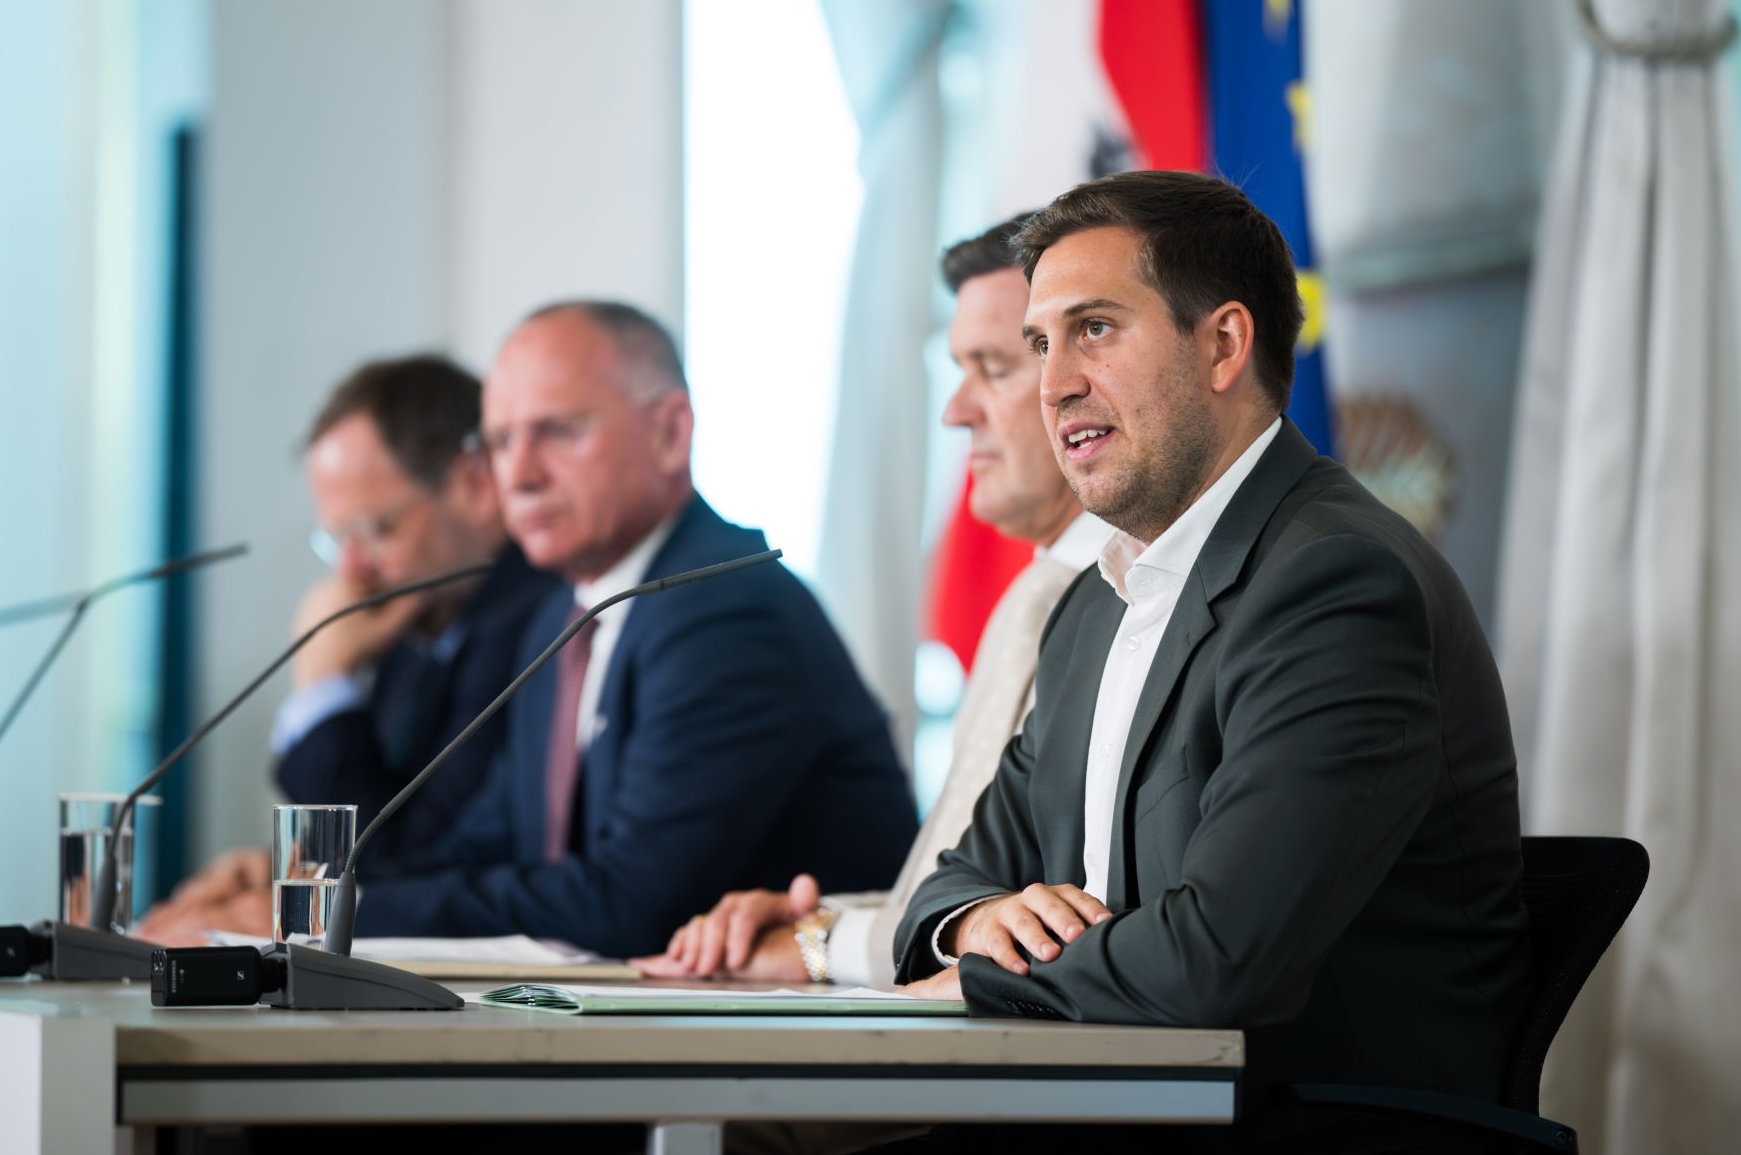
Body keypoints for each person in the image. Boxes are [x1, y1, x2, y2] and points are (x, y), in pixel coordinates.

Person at [889, 172, 1532, 1154]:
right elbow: (951, 886)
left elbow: (1215, 963)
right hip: (1095, 1111)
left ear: (1223, 344)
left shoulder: (1333, 584)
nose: (1054, 381)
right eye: (1039, 342)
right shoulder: (1094, 601)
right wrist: (977, 925)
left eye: (1094, 328)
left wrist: (985, 975)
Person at [347, 301, 919, 958]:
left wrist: (355, 909)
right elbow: (486, 845)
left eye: (558, 431)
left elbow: (633, 902)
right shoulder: (558, 619)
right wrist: (324, 890)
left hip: (804, 1039)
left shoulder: (724, 605)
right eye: (501, 441)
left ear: (670, 433)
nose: (522, 474)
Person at [636, 216, 1113, 989]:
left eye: (993, 368)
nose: (956, 412)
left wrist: (821, 944)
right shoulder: (1034, 595)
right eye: (958, 369)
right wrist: (815, 924)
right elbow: (961, 898)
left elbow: (1057, 919)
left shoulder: (1134, 602)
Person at [139, 356, 555, 938]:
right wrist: (274, 870)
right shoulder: (415, 626)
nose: (352, 568)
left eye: (376, 530)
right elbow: (388, 835)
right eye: (337, 538)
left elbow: (406, 863)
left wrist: (321, 683)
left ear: (475, 484)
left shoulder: (541, 619)